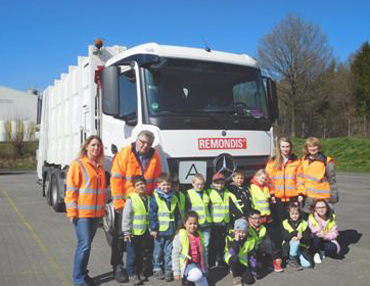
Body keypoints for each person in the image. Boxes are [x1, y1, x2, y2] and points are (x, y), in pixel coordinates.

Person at [110, 131, 162, 282]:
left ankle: (138, 267)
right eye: (142, 142)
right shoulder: (125, 154)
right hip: (126, 204)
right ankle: (118, 266)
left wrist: (154, 204)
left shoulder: (155, 158)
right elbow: (116, 180)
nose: (145, 146)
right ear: (136, 140)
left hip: (145, 205)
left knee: (141, 239)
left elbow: (157, 182)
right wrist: (119, 203)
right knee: (121, 236)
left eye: (148, 144)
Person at [65, 135, 107, 286]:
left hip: (95, 214)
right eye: (93, 145)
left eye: (99, 146)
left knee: (87, 245)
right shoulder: (78, 164)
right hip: (82, 215)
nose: (96, 148)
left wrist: (102, 210)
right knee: (84, 245)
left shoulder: (100, 166)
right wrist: (72, 212)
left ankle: (83, 273)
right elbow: (71, 190)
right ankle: (78, 278)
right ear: (86, 147)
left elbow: (101, 192)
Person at [265, 137, 303, 272]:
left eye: (287, 146)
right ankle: (279, 255)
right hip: (278, 200)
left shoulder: (297, 162)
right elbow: (269, 181)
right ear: (279, 148)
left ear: (291, 147)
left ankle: (292, 254)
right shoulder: (273, 162)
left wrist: (300, 193)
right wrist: (272, 194)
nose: (285, 149)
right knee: (280, 226)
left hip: (293, 199)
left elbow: (299, 179)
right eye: (283, 146)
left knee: (294, 225)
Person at [207, 172, 243, 268]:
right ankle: (211, 261)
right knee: (213, 243)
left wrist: (240, 216)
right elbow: (207, 207)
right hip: (215, 223)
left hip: (225, 222)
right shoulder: (209, 193)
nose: (220, 185)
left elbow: (232, 206)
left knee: (223, 243)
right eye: (217, 183)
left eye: (222, 183)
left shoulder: (227, 193)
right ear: (213, 183)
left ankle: (221, 260)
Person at [122, 176, 153, 285]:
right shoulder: (131, 199)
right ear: (134, 188)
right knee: (132, 255)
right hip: (132, 234)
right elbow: (126, 216)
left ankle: (139, 272)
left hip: (143, 232)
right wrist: (126, 231)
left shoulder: (148, 199)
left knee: (141, 254)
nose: (141, 186)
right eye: (138, 185)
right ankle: (131, 274)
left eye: (142, 184)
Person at [149, 173, 180, 282]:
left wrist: (177, 228)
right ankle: (157, 269)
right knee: (158, 251)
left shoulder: (174, 197)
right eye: (164, 185)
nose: (166, 187)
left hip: (170, 230)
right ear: (158, 185)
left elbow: (176, 214)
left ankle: (168, 269)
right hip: (159, 230)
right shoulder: (155, 197)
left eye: (168, 185)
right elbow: (152, 214)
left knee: (169, 251)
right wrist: (153, 229)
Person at [298, 137, 339, 215]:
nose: (312, 148)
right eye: (310, 146)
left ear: (319, 147)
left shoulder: (326, 161)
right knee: (308, 224)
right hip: (308, 200)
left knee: (324, 224)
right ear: (306, 148)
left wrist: (333, 197)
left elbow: (332, 181)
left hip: (322, 200)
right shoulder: (303, 160)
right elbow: (300, 179)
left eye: (314, 146)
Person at [172, 211, 209, 286]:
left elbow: (203, 254)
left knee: (202, 280)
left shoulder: (200, 235)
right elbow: (175, 255)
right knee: (197, 275)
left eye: (195, 223)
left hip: (198, 265)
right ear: (185, 224)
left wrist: (205, 267)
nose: (192, 226)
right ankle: (186, 280)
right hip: (187, 265)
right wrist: (176, 271)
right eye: (190, 223)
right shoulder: (180, 236)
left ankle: (193, 280)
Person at [184, 174, 212, 255]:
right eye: (198, 184)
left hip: (206, 224)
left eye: (202, 184)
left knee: (205, 245)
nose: (200, 186)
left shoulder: (207, 193)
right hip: (194, 224)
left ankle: (204, 265)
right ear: (193, 183)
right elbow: (187, 210)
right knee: (194, 245)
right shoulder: (188, 194)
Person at [224, 218, 257, 286]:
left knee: (249, 281)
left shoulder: (251, 238)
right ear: (235, 231)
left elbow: (251, 252)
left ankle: (238, 270)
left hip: (242, 260)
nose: (240, 234)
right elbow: (233, 252)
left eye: (243, 232)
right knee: (235, 259)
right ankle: (236, 277)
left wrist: (253, 266)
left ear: (247, 231)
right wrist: (236, 241)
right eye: (238, 232)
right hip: (231, 258)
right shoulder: (229, 237)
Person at [308, 199, 341, 264]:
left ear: (327, 208)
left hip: (326, 238)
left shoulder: (332, 217)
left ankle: (321, 250)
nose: (321, 209)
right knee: (316, 237)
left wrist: (325, 235)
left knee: (333, 247)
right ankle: (316, 252)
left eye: (323, 207)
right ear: (315, 209)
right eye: (318, 207)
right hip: (316, 238)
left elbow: (335, 233)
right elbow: (309, 229)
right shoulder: (312, 217)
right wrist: (319, 231)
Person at [281, 203, 313, 270]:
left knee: (308, 264)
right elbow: (284, 237)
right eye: (292, 214)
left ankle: (295, 258)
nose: (294, 216)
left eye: (296, 214)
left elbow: (308, 237)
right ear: (289, 214)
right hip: (288, 245)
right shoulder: (285, 223)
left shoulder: (304, 223)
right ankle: (292, 259)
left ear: (299, 214)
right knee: (295, 241)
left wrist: (302, 237)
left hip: (300, 246)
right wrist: (295, 233)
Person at [247, 209, 275, 277]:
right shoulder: (247, 229)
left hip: (259, 248)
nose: (257, 220)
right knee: (257, 266)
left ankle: (269, 261)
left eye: (258, 218)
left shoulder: (263, 227)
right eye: (254, 218)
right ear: (249, 219)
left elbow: (268, 241)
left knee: (268, 243)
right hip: (250, 250)